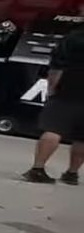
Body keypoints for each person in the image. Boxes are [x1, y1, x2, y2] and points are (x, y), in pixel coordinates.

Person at [23, 17, 84, 185]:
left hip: (69, 88)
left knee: (53, 129)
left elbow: (57, 65)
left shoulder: (74, 37)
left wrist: (52, 88)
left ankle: (38, 169)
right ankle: (72, 173)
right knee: (82, 138)